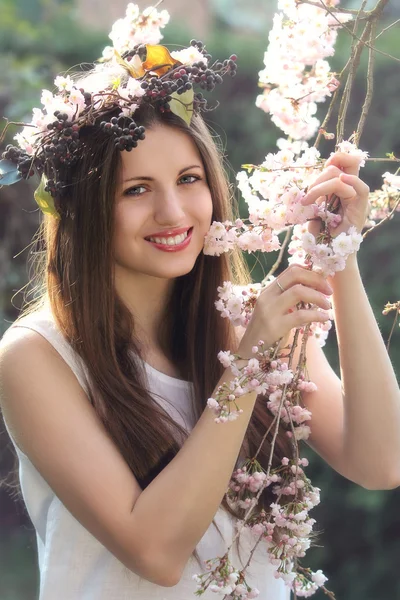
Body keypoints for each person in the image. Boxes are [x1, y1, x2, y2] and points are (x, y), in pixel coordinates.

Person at [0, 6, 399, 600]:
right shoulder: (37, 357)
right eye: (136, 190)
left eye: (189, 180)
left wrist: (337, 256)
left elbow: (381, 460)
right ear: (82, 210)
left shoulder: (241, 316)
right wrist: (248, 363)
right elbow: (155, 551)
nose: (174, 213)